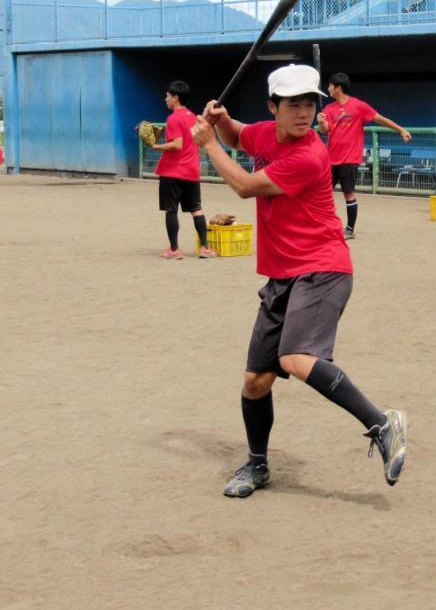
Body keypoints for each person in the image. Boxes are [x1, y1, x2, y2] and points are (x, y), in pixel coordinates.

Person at [190, 63, 407, 498]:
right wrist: (222, 120)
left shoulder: (309, 154)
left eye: (310, 103)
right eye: (294, 104)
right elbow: (240, 135)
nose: (305, 112)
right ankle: (257, 465)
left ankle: (383, 423)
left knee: (294, 358)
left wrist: (209, 146)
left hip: (323, 268)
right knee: (256, 381)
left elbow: (246, 186)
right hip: (283, 274)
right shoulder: (266, 133)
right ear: (274, 107)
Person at [316, 72, 412, 239]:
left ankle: (350, 229)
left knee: (348, 193)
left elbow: (379, 119)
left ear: (338, 88)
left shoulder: (358, 106)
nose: (328, 88)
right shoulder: (329, 109)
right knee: (322, 194)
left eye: (331, 85)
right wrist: (321, 121)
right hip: (331, 158)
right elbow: (325, 129)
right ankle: (324, 226)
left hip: (349, 158)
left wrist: (401, 130)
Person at [153, 80, 214, 260]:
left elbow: (177, 145)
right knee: (196, 209)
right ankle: (204, 248)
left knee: (171, 210)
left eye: (168, 96)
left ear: (175, 98)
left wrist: (156, 146)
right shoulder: (193, 117)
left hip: (173, 172)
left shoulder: (173, 118)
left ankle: (174, 249)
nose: (165, 99)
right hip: (191, 170)